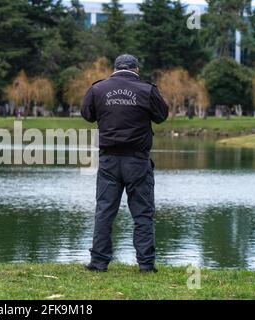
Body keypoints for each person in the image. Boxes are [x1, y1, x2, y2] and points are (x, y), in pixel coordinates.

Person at [81, 54, 169, 273]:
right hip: (137, 161)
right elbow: (162, 116)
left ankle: (99, 262)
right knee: (142, 214)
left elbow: (87, 114)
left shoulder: (98, 89)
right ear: (136, 69)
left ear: (114, 69)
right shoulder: (147, 90)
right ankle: (146, 265)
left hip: (109, 160)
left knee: (104, 212)